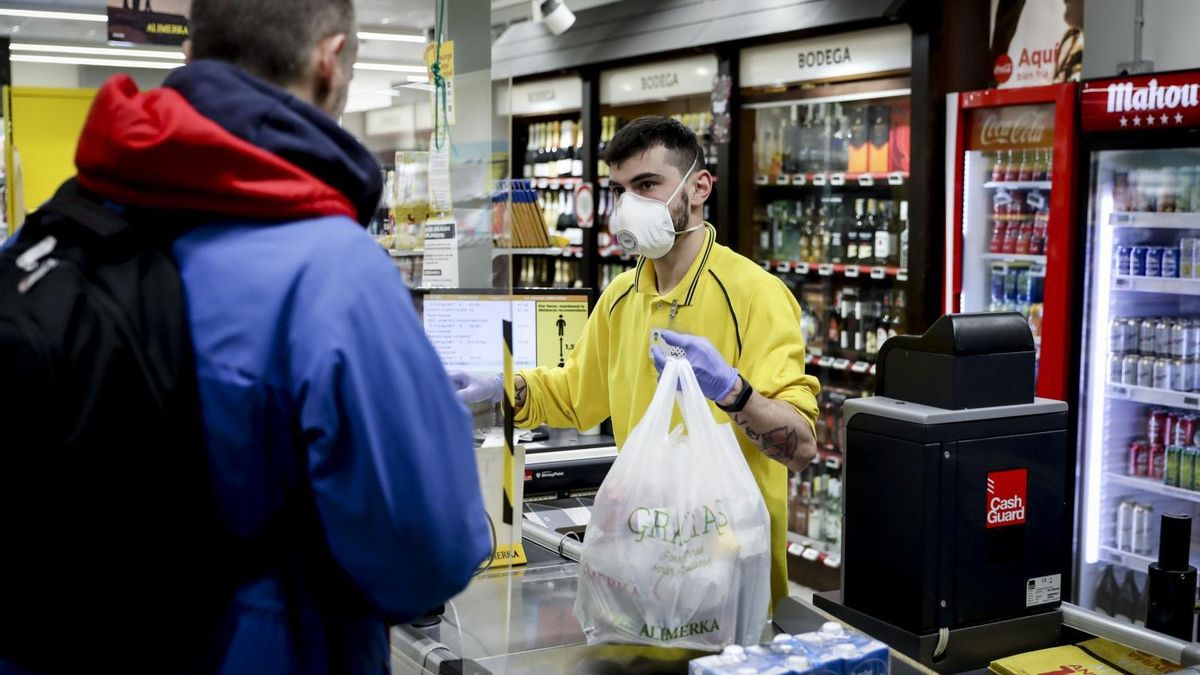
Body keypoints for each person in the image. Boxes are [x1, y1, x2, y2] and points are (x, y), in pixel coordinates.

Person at [1, 1, 491, 673]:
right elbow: (430, 557)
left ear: (188, 58)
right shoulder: (335, 274)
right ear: (332, 58)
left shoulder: (57, 226)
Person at [454, 116, 820, 606]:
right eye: (620, 190)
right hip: (643, 560)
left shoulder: (755, 295)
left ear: (698, 188)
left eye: (647, 185)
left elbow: (797, 448)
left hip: (732, 570)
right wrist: (504, 387)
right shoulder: (621, 296)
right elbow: (573, 397)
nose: (630, 206)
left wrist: (735, 392)